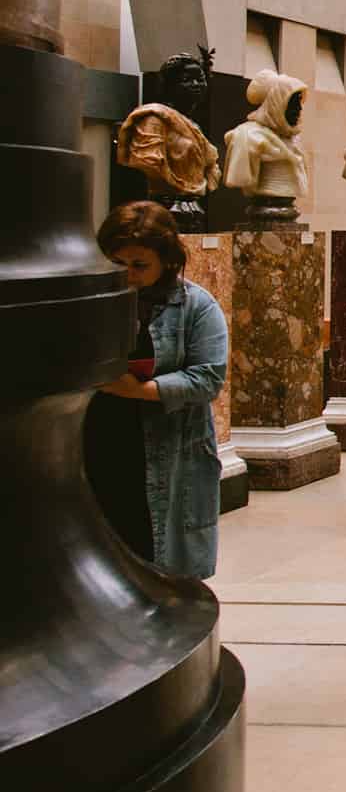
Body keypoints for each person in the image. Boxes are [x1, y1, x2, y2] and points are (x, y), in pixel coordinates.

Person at [89, 201, 227, 578]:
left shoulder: (197, 305)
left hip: (172, 447)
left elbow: (209, 377)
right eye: (119, 264)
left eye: (139, 266)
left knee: (164, 557)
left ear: (165, 261)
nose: (129, 275)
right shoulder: (94, 302)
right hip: (104, 440)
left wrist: (138, 390)